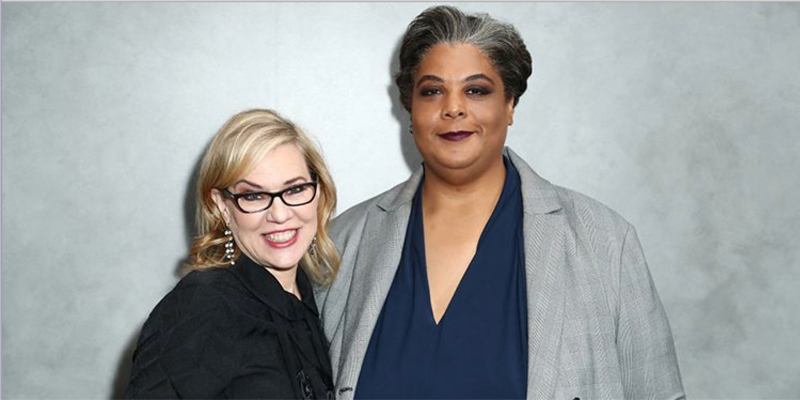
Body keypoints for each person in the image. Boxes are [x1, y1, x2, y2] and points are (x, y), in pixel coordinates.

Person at [316, 5, 685, 400]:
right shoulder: (341, 244)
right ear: (410, 109)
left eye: (475, 90)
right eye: (432, 91)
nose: (453, 107)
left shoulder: (605, 243)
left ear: (509, 105)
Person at [125, 109, 338, 399]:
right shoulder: (203, 306)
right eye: (253, 195)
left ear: (319, 191)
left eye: (296, 189)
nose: (279, 214)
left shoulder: (310, 298)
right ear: (223, 207)